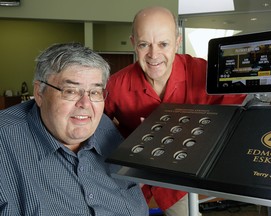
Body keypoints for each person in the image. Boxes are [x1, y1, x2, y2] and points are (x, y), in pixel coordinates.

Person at [104, 6, 247, 216]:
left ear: (177, 42)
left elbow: (239, 112)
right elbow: (93, 129)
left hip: (180, 182)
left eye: (163, 44)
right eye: (144, 44)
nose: (154, 55)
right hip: (131, 180)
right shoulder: (115, 84)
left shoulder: (205, 74)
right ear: (134, 43)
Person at [0, 42, 149, 215]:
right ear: (40, 93)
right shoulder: (5, 141)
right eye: (70, 91)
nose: (85, 104)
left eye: (95, 92)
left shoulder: (103, 125)